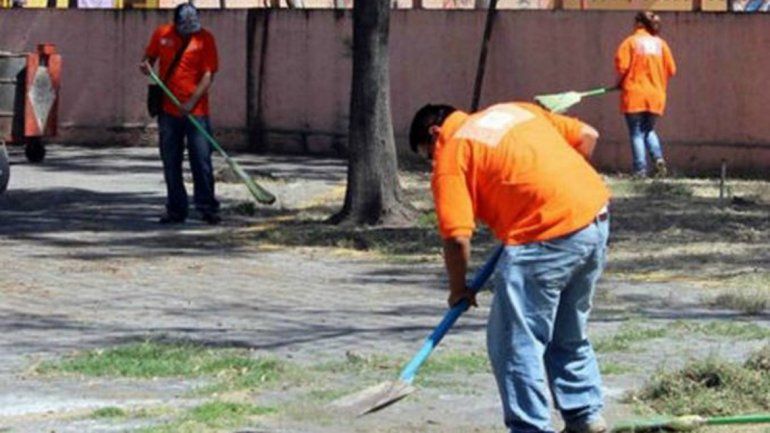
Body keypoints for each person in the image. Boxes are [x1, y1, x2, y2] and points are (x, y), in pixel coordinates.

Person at [409, 102, 611, 433]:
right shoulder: (515, 110)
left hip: (544, 237)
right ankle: (585, 415)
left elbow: (457, 237)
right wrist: (558, 187)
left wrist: (459, 289)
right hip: (594, 219)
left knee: (516, 342)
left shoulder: (452, 152)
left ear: (435, 133)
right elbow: (588, 135)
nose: (431, 161)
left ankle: (530, 428)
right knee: (568, 331)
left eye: (427, 154)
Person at [140, 3, 220, 224]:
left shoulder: (206, 39)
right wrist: (146, 65)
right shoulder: (162, 34)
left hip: (197, 113)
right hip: (168, 111)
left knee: (201, 160)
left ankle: (207, 206)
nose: (189, 31)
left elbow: (208, 75)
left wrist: (192, 101)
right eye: (184, 27)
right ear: (175, 23)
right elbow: (149, 58)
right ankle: (176, 208)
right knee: (171, 160)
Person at [615, 11, 677, 178]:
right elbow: (672, 69)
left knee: (636, 133)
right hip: (656, 95)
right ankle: (658, 159)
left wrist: (619, 83)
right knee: (648, 130)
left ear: (638, 23)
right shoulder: (661, 44)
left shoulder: (630, 43)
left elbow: (622, 68)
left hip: (634, 94)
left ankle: (640, 170)